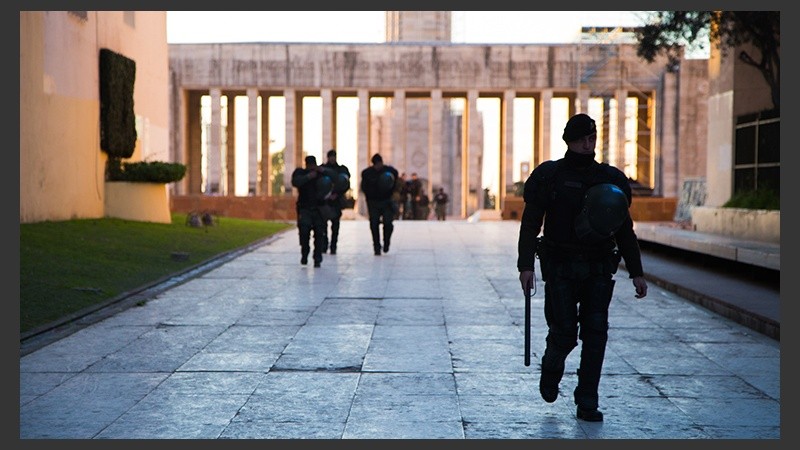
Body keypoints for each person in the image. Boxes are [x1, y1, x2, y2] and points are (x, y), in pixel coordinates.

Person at [516, 113, 648, 422]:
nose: (588, 145)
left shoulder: (610, 179)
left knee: (596, 332)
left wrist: (637, 272)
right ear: (570, 141)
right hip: (560, 265)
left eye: (591, 139)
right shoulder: (550, 176)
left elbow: (623, 229)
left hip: (598, 267)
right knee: (563, 333)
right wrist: (525, 266)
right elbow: (530, 223)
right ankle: (552, 367)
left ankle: (587, 399)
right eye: (582, 140)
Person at [291, 155, 337, 268]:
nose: (312, 167)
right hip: (305, 208)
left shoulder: (321, 173)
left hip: (318, 208)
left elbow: (336, 178)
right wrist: (308, 177)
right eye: (310, 165)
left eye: (313, 165)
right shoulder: (300, 172)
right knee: (304, 232)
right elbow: (295, 182)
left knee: (319, 234)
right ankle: (304, 254)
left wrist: (323, 170)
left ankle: (317, 259)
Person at [360, 153, 399, 255]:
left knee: (388, 224)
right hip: (373, 202)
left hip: (386, 201)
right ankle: (376, 246)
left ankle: (386, 242)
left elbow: (395, 176)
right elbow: (364, 187)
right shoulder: (367, 173)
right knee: (374, 224)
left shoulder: (388, 171)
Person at [320, 149, 351, 255]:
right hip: (325, 201)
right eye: (330, 156)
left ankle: (333, 246)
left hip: (336, 200)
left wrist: (337, 194)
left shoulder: (341, 169)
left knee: (335, 225)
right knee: (323, 225)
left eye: (334, 156)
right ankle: (324, 245)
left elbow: (345, 184)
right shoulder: (322, 169)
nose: (332, 158)